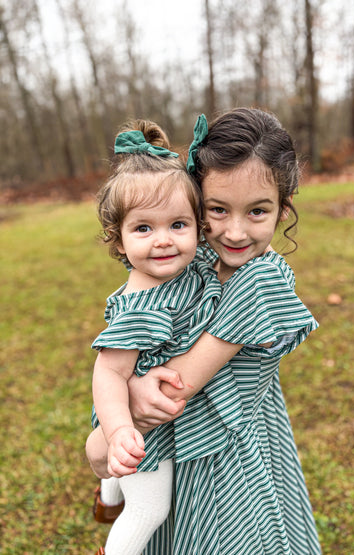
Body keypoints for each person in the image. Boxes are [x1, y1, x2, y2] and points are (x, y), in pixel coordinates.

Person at [88, 108, 322, 554]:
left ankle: (113, 499)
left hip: (225, 460)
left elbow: (175, 388)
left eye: (258, 211)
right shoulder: (189, 255)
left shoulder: (261, 281)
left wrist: (110, 430)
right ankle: (112, 499)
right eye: (217, 209)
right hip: (168, 447)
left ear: (283, 207)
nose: (234, 232)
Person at [88, 118, 238, 555]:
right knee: (150, 509)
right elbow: (109, 374)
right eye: (143, 229)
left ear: (196, 226)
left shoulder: (186, 264)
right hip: (140, 424)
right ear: (118, 239)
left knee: (117, 473)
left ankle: (107, 495)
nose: (164, 242)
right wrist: (118, 432)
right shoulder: (143, 306)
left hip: (138, 413)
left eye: (177, 225)